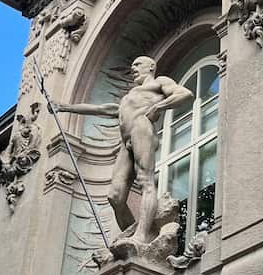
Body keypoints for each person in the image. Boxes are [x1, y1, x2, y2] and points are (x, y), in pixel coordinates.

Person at [55, 56, 193, 247]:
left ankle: (141, 237)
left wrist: (157, 106)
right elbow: (102, 109)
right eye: (132, 66)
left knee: (146, 181)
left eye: (137, 64)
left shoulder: (159, 82)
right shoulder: (129, 96)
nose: (133, 68)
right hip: (125, 140)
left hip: (141, 128)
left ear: (151, 67)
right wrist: (65, 107)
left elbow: (185, 93)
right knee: (115, 196)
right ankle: (137, 232)